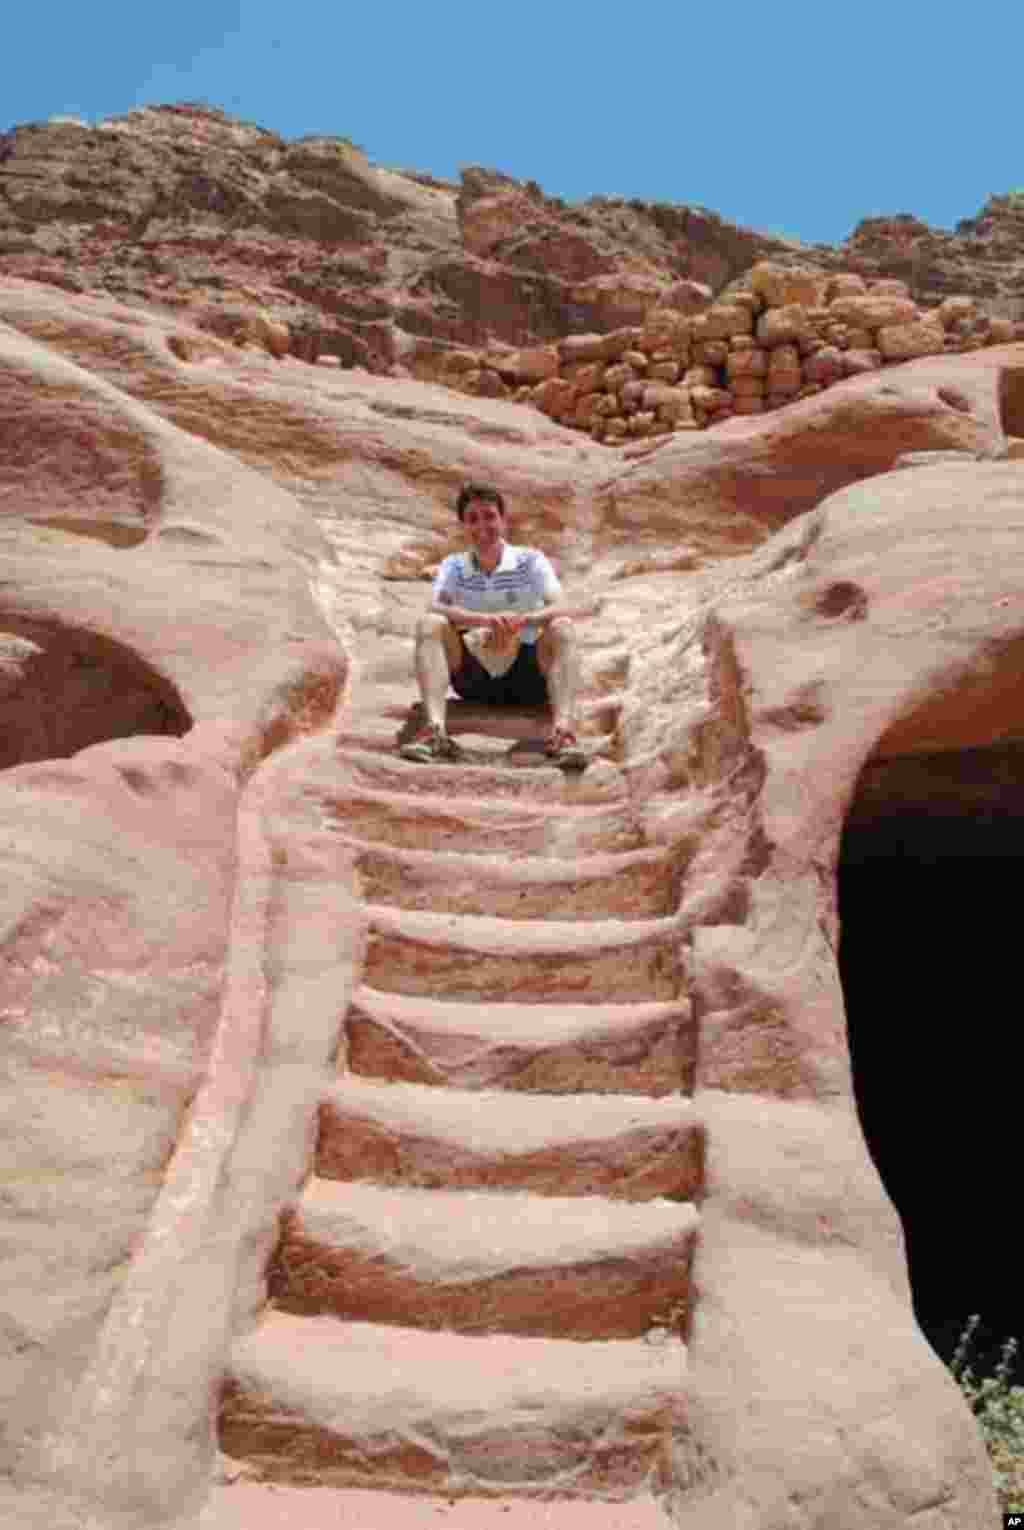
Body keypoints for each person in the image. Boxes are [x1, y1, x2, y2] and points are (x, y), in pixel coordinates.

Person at [400, 482, 584, 767]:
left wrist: (521, 620)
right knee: (430, 623)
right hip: (474, 674)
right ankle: (434, 731)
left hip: (527, 674)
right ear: (463, 525)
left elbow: (561, 605)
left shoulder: (530, 560)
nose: (482, 525)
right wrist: (484, 620)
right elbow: (435, 605)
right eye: (472, 518)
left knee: (562, 627)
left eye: (489, 516)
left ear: (503, 520)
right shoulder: (453, 566)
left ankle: (563, 735)